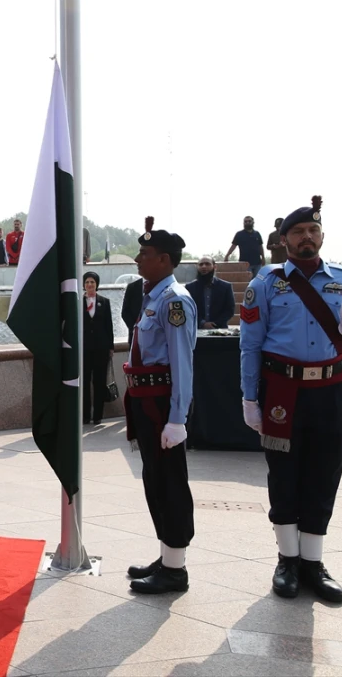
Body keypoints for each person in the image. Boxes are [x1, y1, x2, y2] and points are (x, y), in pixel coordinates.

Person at [239, 195, 342, 604]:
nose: (307, 237)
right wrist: (249, 398)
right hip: (284, 392)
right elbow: (250, 345)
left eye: (313, 231)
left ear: (322, 235)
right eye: (298, 232)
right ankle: (287, 560)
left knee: (325, 472)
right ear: (284, 240)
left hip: (331, 390)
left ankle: (314, 562)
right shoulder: (265, 283)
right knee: (285, 474)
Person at [122, 217, 197, 595]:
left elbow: (183, 363)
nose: (138, 259)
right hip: (145, 399)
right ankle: (167, 555)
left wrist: (177, 419)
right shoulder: (151, 295)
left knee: (170, 482)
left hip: (162, 403)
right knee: (155, 478)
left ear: (165, 260)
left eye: (145, 254)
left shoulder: (174, 301)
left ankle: (176, 569)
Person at [81, 271, 114, 426]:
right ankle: (85, 415)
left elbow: (109, 326)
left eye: (92, 282)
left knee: (99, 382)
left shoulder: (105, 302)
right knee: (85, 382)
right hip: (84, 349)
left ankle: (98, 416)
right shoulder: (78, 302)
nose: (89, 285)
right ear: (83, 285)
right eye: (87, 282)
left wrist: (111, 347)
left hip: (101, 348)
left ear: (97, 284)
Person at [185, 257, 235, 329]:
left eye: (207, 264)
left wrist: (215, 324)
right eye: (201, 264)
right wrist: (202, 323)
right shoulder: (190, 288)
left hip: (220, 330)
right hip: (196, 329)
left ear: (215, 267)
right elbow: (187, 309)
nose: (204, 266)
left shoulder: (226, 287)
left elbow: (230, 309)